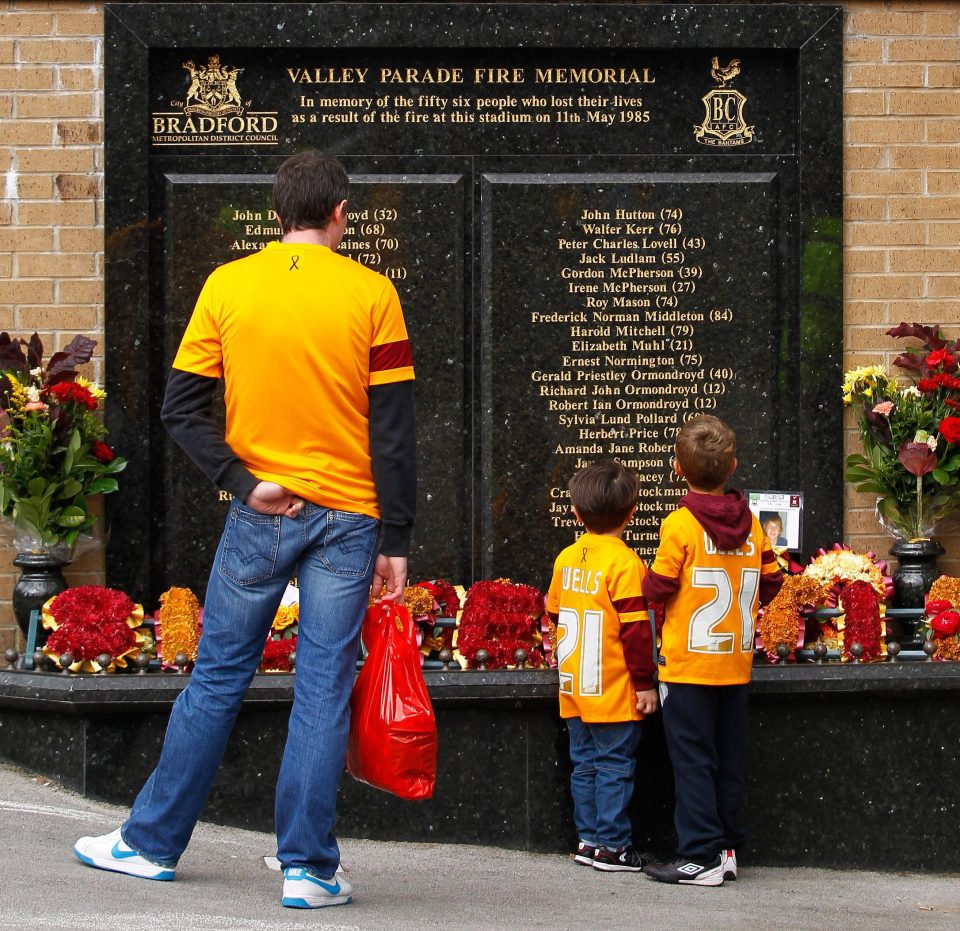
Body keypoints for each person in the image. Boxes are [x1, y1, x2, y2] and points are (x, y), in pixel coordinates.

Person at [73, 152, 417, 910]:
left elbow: (181, 408)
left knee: (217, 678)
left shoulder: (228, 286)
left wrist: (241, 481)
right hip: (352, 515)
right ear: (340, 212)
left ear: (276, 213)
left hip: (261, 510)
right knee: (323, 689)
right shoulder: (374, 293)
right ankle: (308, 868)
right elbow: (392, 429)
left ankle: (150, 843)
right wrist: (397, 537)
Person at [640, 416, 782, 886]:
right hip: (735, 664)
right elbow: (774, 580)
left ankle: (699, 855)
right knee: (727, 759)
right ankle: (725, 849)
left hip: (687, 667)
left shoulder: (679, 525)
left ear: (677, 468)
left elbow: (657, 587)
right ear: (733, 466)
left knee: (693, 760)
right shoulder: (754, 527)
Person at [546, 460, 658, 873]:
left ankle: (588, 839)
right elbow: (636, 632)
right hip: (612, 687)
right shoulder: (627, 564)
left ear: (576, 513)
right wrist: (645, 683)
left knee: (585, 764)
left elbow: (555, 613)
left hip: (576, 686)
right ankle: (613, 846)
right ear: (632, 513)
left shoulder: (566, 558)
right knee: (614, 765)